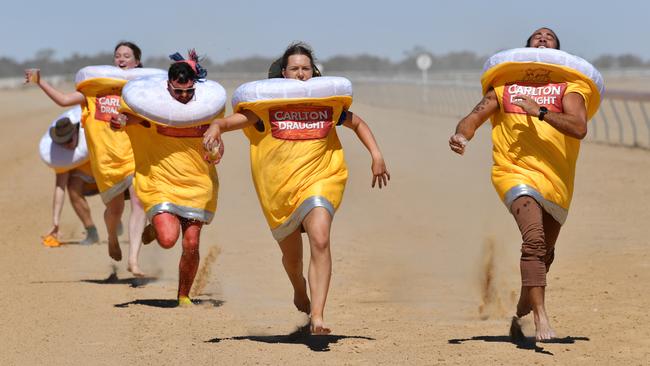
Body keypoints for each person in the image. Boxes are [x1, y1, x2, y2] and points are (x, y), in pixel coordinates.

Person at [203, 42, 390, 334]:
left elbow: (358, 124)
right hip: (280, 189)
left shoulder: (326, 102)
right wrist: (217, 126)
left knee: (320, 239)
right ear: (283, 73)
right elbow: (234, 121)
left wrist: (376, 155)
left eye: (306, 68)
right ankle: (299, 288)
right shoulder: (268, 104)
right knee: (293, 258)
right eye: (294, 69)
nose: (301, 74)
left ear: (313, 72)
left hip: (321, 177)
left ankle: (318, 316)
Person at [449, 28, 602, 341]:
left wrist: (540, 111)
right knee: (533, 241)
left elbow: (579, 127)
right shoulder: (505, 86)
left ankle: (520, 314)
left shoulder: (570, 87)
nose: (543, 37)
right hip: (513, 171)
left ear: (558, 50)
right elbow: (474, 117)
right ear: (527, 47)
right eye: (536, 36)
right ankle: (540, 316)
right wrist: (462, 135)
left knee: (544, 253)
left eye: (549, 36)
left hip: (557, 180)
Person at [25, 41, 147, 276]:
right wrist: (40, 81)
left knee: (139, 203)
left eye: (127, 56)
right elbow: (62, 100)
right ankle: (111, 236)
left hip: (132, 158)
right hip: (105, 165)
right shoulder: (92, 92)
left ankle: (133, 260)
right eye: (117, 56)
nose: (121, 59)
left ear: (137, 63)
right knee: (114, 211)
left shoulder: (139, 95)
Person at [114, 51, 225, 306]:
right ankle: (155, 227)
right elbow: (130, 120)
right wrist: (119, 121)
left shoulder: (206, 110)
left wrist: (216, 150)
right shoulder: (155, 110)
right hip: (162, 181)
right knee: (167, 239)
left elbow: (219, 143)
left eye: (188, 91)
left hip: (198, 183)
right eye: (178, 91)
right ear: (168, 87)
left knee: (192, 242)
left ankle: (183, 295)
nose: (184, 97)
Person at [42, 116, 99, 247]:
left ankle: (116, 222)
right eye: (62, 142)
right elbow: (59, 187)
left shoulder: (90, 136)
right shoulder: (62, 157)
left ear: (75, 132)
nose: (66, 145)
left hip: (105, 174)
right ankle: (91, 232)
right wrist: (55, 221)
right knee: (72, 185)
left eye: (69, 140)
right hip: (86, 180)